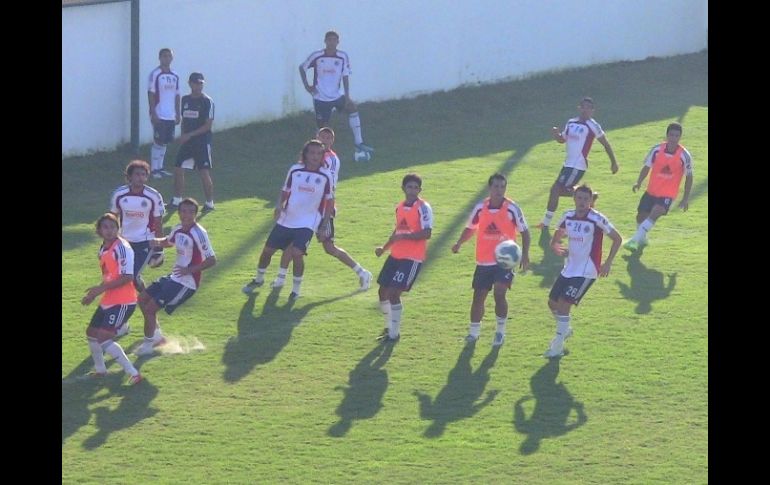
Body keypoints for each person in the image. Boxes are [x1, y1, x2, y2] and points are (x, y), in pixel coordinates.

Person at [271, 127, 372, 290]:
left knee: (329, 247)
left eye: (328, 137)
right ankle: (280, 279)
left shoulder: (331, 159)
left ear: (332, 141)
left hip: (322, 209)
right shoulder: (311, 155)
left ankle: (362, 272)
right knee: (292, 244)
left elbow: (326, 185)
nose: (325, 140)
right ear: (317, 136)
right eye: (322, 136)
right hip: (306, 210)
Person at [242, 139, 334, 299]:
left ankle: (296, 289)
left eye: (319, 153)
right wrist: (279, 205)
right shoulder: (295, 170)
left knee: (297, 253)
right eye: (312, 152)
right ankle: (258, 279)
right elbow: (285, 190)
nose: (315, 156)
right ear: (305, 154)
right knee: (267, 251)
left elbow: (330, 201)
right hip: (287, 217)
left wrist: (324, 225)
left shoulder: (326, 176)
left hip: (308, 220)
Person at [451, 173, 531, 347]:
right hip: (484, 261)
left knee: (499, 293)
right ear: (489, 188)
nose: (499, 190)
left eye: (502, 187)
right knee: (478, 297)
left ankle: (500, 332)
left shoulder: (512, 208)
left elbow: (525, 231)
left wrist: (525, 254)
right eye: (496, 186)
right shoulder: (480, 208)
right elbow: (470, 228)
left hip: (505, 261)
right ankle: (473, 333)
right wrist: (459, 243)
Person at [544, 184, 622, 358]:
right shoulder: (568, 216)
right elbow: (559, 231)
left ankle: (557, 347)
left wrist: (608, 263)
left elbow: (617, 239)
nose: (582, 202)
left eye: (586, 199)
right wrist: (553, 244)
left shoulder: (597, 219)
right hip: (570, 267)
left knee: (564, 305)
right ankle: (566, 329)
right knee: (552, 303)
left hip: (588, 269)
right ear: (574, 199)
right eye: (579, 198)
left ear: (591, 201)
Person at [136, 198, 217, 356]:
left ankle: (147, 345)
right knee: (142, 299)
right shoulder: (178, 227)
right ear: (179, 213)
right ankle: (157, 337)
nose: (187, 215)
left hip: (187, 282)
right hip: (174, 277)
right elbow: (169, 241)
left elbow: (212, 259)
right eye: (184, 211)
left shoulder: (199, 233)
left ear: (195, 214)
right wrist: (156, 242)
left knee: (151, 308)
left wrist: (191, 270)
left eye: (191, 212)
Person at [537, 97, 619, 229]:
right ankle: (590, 196)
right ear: (579, 108)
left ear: (592, 111)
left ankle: (545, 223)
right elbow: (562, 139)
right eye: (583, 107)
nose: (586, 110)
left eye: (589, 108)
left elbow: (606, 144)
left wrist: (613, 162)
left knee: (555, 189)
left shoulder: (593, 126)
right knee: (557, 190)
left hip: (578, 165)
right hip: (567, 164)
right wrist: (556, 134)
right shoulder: (571, 122)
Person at [81, 213, 142, 384]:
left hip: (123, 301)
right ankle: (101, 370)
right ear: (99, 230)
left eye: (113, 227)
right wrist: (94, 293)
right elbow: (109, 276)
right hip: (109, 299)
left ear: (118, 228)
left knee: (104, 338)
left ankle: (134, 373)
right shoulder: (103, 248)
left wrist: (100, 289)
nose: (109, 231)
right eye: (105, 227)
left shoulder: (122, 247)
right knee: (92, 334)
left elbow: (127, 277)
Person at [374, 173, 433, 342]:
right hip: (395, 256)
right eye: (410, 187)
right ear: (403, 188)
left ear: (420, 190)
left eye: (416, 187)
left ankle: (394, 333)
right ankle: (389, 327)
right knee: (382, 291)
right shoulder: (399, 207)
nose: (413, 190)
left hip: (412, 258)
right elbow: (397, 231)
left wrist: (405, 237)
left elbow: (427, 232)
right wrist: (384, 248)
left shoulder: (423, 207)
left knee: (393, 293)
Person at [299, 30, 374, 156]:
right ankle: (319, 152)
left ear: (338, 42)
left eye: (334, 40)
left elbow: (345, 76)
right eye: (329, 40)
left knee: (353, 109)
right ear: (325, 41)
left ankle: (359, 142)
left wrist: (347, 96)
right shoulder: (317, 56)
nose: (332, 42)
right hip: (320, 97)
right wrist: (307, 86)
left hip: (337, 95)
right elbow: (302, 67)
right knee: (322, 127)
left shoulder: (342, 56)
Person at [624, 122, 693, 251]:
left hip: (668, 194)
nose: (673, 138)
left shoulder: (685, 156)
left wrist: (686, 198)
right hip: (651, 191)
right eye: (671, 135)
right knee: (640, 217)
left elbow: (689, 176)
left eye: (677, 136)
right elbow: (646, 167)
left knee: (654, 214)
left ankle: (634, 240)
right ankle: (643, 239)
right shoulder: (656, 149)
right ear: (667, 135)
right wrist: (638, 182)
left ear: (680, 137)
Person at [109, 159, 166, 298]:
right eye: (137, 174)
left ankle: (146, 300)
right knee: (121, 275)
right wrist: (110, 240)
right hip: (124, 241)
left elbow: (158, 222)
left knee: (131, 276)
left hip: (145, 241)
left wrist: (159, 247)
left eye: (143, 174)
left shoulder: (153, 196)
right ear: (129, 176)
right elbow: (112, 217)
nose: (140, 178)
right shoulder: (119, 194)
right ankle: (143, 296)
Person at [167, 72, 216, 212]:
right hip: (187, 141)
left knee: (203, 171)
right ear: (190, 84)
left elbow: (208, 126)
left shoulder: (207, 101)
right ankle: (176, 200)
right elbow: (184, 120)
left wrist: (189, 135)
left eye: (201, 83)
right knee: (178, 168)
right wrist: (183, 136)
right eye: (196, 83)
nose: (199, 86)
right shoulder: (185, 100)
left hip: (201, 141)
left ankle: (209, 203)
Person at [147, 47, 181, 179]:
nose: (167, 58)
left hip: (170, 114)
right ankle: (154, 169)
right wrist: (153, 112)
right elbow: (151, 93)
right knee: (158, 141)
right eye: (164, 56)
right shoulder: (155, 74)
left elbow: (177, 95)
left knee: (165, 141)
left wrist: (178, 113)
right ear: (160, 58)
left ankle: (160, 168)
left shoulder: (175, 75)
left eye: (169, 56)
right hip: (159, 113)